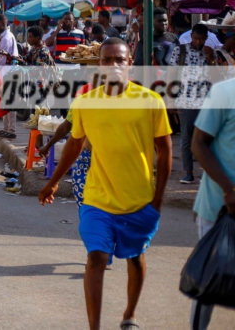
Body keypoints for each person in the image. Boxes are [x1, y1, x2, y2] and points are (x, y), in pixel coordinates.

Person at [39, 38, 172, 330]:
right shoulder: (86, 102)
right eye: (107, 60)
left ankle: (130, 315)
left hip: (138, 199)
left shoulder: (151, 101)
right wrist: (52, 182)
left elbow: (164, 151)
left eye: (119, 60)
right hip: (96, 198)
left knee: (135, 258)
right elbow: (74, 145)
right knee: (97, 257)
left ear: (129, 63)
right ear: (99, 65)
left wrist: (158, 199)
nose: (113, 65)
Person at [189, 76, 235, 330]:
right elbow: (198, 144)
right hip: (219, 208)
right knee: (208, 284)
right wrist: (229, 189)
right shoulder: (225, 92)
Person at [168, 23, 216, 185]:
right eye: (196, 38)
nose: (198, 42)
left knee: (206, 138)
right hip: (185, 101)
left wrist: (211, 59)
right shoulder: (179, 51)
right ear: (192, 36)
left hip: (205, 102)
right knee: (187, 138)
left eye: (201, 39)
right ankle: (188, 173)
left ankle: (207, 174)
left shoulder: (210, 53)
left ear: (206, 39)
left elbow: (215, 79)